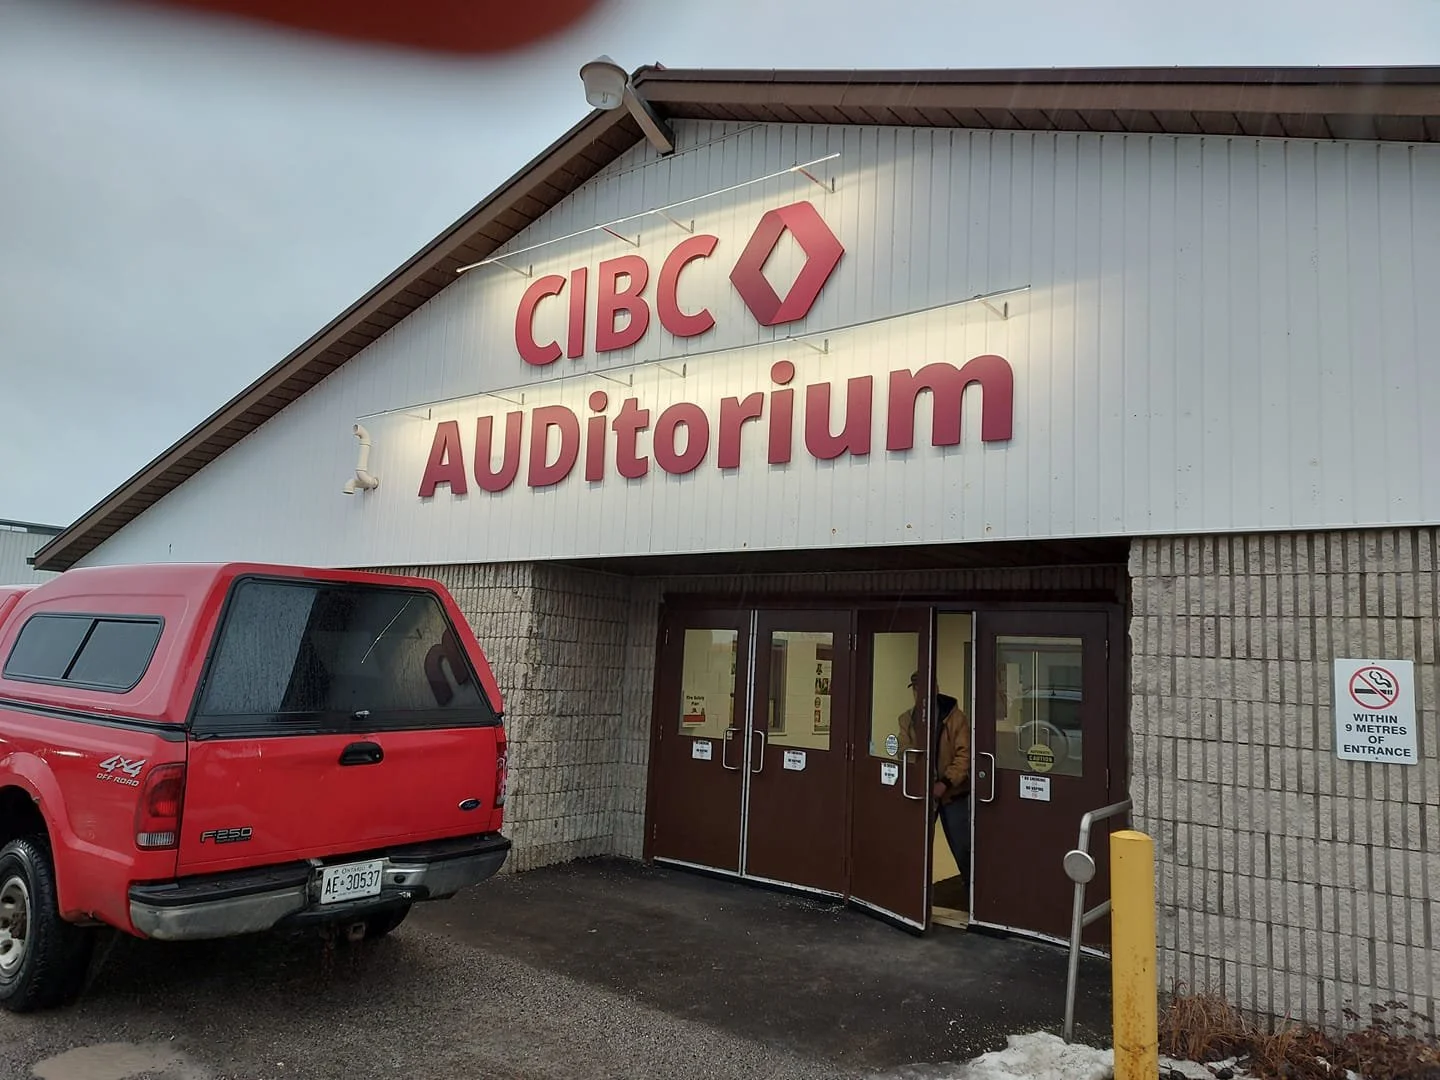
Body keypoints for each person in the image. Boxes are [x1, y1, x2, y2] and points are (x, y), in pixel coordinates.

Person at [897, 670, 972, 891]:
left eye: (925, 688)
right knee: (916, 846)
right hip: (921, 792)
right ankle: (914, 897)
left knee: (963, 847)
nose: (920, 693)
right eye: (916, 689)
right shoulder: (907, 720)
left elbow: (964, 755)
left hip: (953, 794)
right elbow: (903, 751)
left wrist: (945, 783)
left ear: (936, 688)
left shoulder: (956, 718)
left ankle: (971, 896)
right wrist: (918, 776)